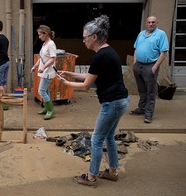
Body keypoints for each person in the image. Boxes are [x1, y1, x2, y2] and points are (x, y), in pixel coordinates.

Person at [56, 15, 129, 186]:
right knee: (109, 136)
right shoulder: (107, 51)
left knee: (96, 139)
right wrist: (70, 74)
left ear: (94, 37)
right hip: (121, 101)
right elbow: (92, 77)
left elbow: (87, 85)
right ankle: (112, 171)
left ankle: (91, 176)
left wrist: (66, 83)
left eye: (85, 37)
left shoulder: (100, 56)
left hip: (112, 103)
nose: (83, 41)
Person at [130, 16, 169, 123]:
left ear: (157, 23)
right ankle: (141, 108)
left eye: (153, 22)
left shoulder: (161, 34)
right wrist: (134, 63)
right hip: (139, 65)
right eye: (149, 22)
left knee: (150, 91)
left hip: (150, 65)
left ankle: (149, 113)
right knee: (141, 89)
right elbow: (136, 49)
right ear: (146, 23)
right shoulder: (141, 34)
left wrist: (155, 66)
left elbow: (164, 52)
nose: (151, 24)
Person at [30, 25, 57, 120]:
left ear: (45, 34)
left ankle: (50, 110)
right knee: (45, 90)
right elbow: (41, 58)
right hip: (44, 71)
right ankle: (46, 108)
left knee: (41, 91)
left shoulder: (51, 44)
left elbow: (53, 59)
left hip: (48, 72)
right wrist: (35, 66)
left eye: (40, 35)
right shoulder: (44, 44)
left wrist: (44, 67)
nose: (39, 37)